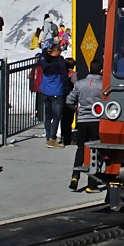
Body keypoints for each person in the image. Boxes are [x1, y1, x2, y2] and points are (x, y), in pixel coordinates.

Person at [66, 61, 104, 192]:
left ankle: (75, 176)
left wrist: (77, 109)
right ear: (101, 71)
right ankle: (91, 184)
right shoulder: (103, 85)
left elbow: (69, 101)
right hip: (96, 121)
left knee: (81, 149)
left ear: (88, 68)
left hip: (82, 121)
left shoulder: (80, 84)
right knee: (95, 151)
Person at [38, 44, 70, 149]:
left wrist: (45, 51)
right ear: (56, 52)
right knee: (56, 117)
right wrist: (68, 91)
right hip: (57, 91)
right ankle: (52, 138)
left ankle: (48, 137)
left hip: (46, 90)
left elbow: (41, 57)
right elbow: (64, 77)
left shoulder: (43, 61)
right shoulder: (60, 62)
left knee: (48, 116)